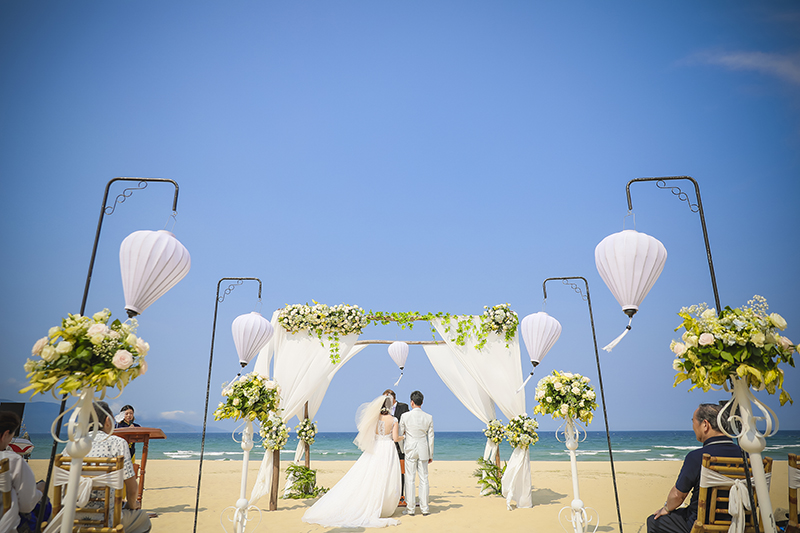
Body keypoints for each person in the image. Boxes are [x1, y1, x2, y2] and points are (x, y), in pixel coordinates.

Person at [302, 395, 403, 528]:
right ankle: (384, 506)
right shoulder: (394, 420)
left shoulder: (375, 418)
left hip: (376, 447)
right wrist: (404, 435)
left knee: (371, 475)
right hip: (388, 449)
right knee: (386, 476)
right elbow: (395, 438)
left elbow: (370, 434)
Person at [646, 403, 742, 533]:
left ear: (705, 425)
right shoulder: (747, 457)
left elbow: (677, 496)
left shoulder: (697, 457)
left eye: (693, 422)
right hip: (739, 522)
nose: (693, 427)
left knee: (654, 521)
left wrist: (666, 509)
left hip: (702, 524)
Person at [63, 401, 151, 533]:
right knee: (143, 519)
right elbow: (132, 488)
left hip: (70, 519)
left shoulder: (70, 446)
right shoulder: (118, 443)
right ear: (108, 421)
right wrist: (132, 505)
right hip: (107, 519)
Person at [0, 411, 44, 533]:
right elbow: (27, 504)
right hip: (6, 525)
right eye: (11, 436)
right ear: (5, 435)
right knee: (45, 505)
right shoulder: (12, 460)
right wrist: (40, 490)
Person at [398, 390, 434, 516]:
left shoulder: (405, 416)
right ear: (422, 402)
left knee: (410, 479)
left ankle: (411, 509)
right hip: (423, 448)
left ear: (411, 402)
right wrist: (431, 454)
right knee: (424, 479)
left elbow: (400, 435)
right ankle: (425, 508)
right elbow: (431, 437)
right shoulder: (428, 417)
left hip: (410, 449)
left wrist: (403, 449)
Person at [383, 389, 409, 505]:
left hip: (400, 445)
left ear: (392, 398)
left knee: (401, 471)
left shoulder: (403, 407)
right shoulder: (381, 410)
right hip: (386, 445)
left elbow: (407, 423)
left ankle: (401, 495)